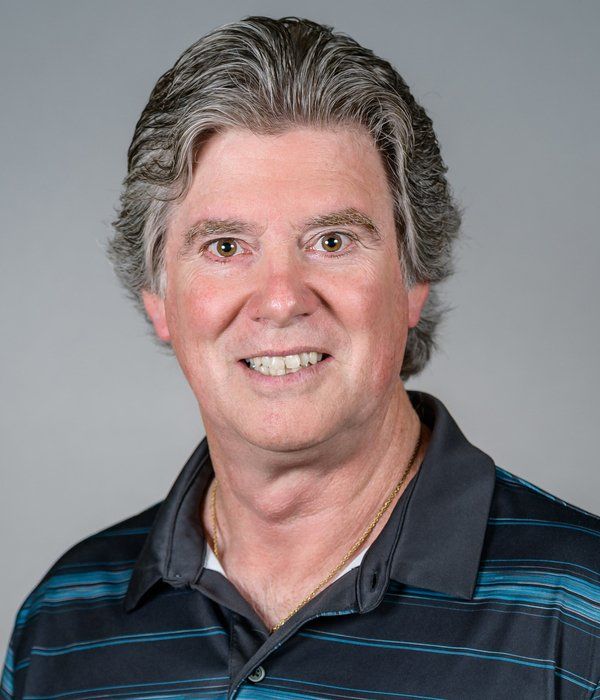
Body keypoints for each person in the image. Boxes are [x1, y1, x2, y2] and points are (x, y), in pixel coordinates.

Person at [2, 15, 599, 700]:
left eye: (332, 241)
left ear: (414, 279)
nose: (282, 300)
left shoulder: (582, 614)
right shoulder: (63, 625)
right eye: (226, 247)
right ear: (158, 299)